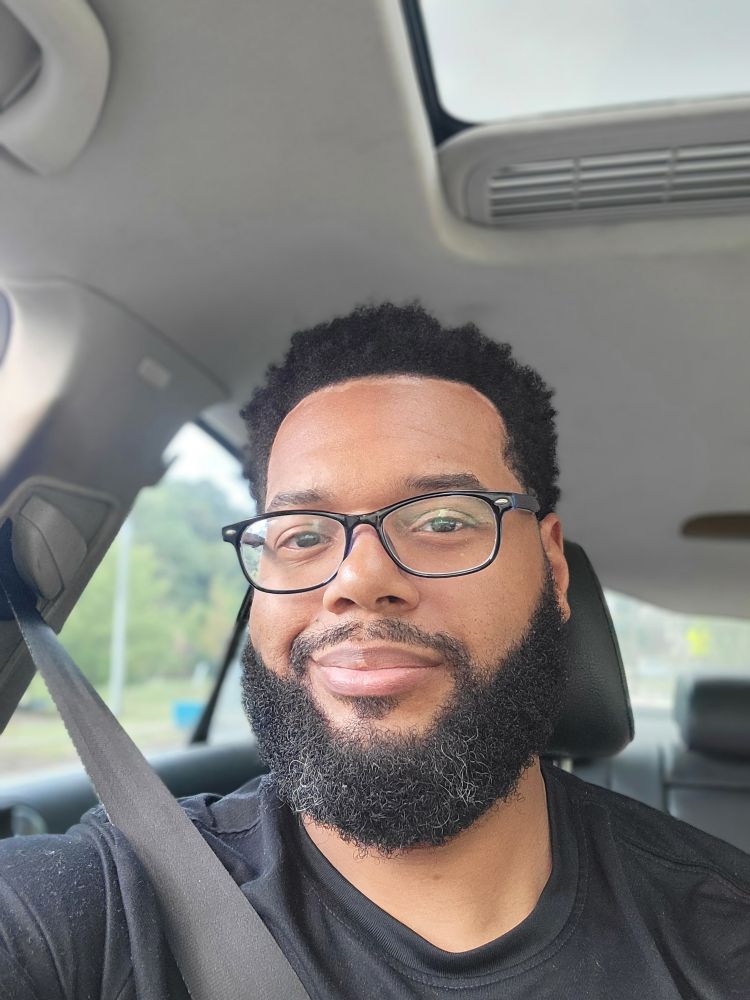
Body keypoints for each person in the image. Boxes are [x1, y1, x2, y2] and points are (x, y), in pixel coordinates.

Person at [0, 303, 748, 999]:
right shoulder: (94, 908)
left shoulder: (721, 933)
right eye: (302, 534)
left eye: (445, 520)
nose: (357, 580)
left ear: (553, 568)